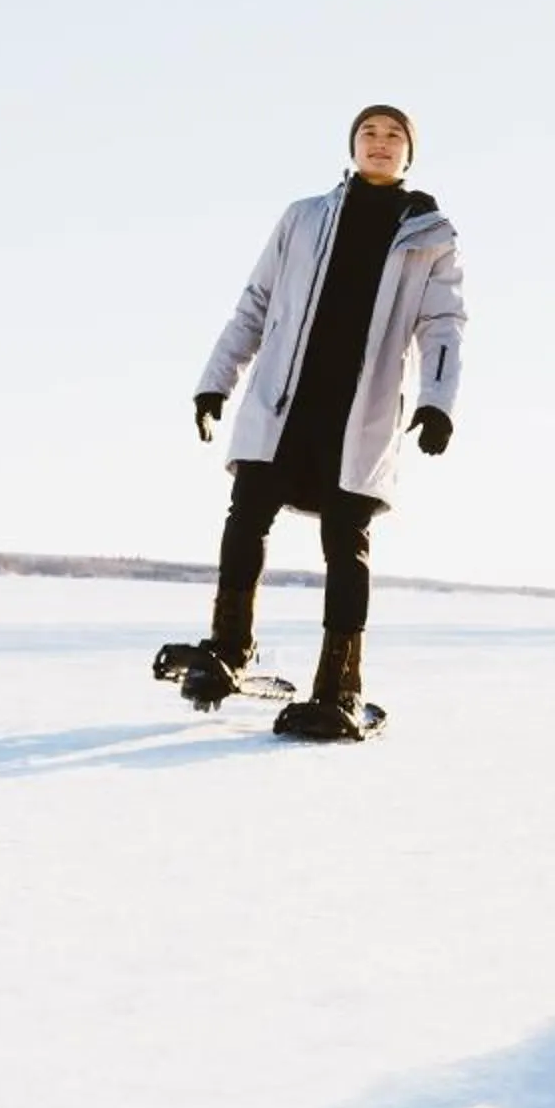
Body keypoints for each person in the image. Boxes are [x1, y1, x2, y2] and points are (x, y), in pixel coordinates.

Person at [166, 105, 465, 739]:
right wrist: (215, 382)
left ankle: (338, 686)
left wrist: (438, 400)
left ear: (409, 153)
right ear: (352, 146)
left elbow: (443, 324)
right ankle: (228, 647)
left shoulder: (430, 236)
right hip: (283, 401)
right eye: (369, 133)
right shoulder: (302, 218)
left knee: (345, 542)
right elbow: (255, 303)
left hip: (361, 411)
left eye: (393, 136)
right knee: (247, 515)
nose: (380, 143)